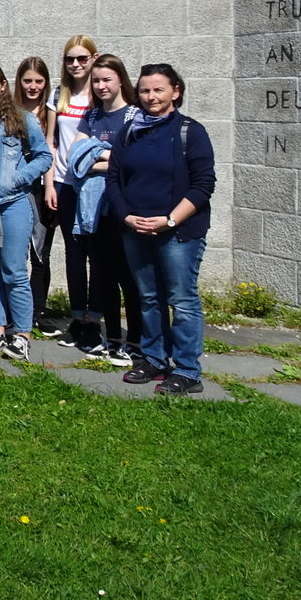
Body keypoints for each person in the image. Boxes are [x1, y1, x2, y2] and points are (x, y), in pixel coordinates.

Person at [106, 64, 216, 396]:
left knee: (181, 300)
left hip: (177, 232)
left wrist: (169, 220)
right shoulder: (130, 131)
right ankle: (153, 359)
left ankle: (186, 370)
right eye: (145, 91)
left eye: (158, 90)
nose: (151, 97)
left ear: (175, 92)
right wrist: (126, 217)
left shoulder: (189, 131)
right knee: (148, 298)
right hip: (135, 229)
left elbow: (203, 185)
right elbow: (114, 179)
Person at [0, 62, 53, 362]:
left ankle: (21, 334)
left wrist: (18, 178)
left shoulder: (21, 118)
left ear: (3, 86)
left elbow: (44, 157)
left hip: (13, 201)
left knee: (14, 270)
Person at [68, 54, 141, 364]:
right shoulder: (93, 117)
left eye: (106, 79)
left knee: (129, 278)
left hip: (124, 208)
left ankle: (135, 341)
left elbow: (133, 161)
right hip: (95, 210)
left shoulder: (135, 116)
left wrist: (96, 155)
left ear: (121, 79)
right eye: (96, 81)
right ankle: (112, 338)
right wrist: (108, 156)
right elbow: (75, 160)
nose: (100, 86)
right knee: (103, 275)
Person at [42, 35, 98, 341]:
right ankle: (77, 318)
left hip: (94, 185)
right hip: (64, 184)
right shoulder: (58, 96)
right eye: (69, 59)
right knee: (74, 255)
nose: (75, 64)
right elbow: (50, 142)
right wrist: (49, 183)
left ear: (93, 58)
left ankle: (95, 320)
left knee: (97, 255)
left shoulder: (99, 95)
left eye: (81, 59)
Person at [15, 56, 61, 337]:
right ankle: (16, 311)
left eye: (39, 81)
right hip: (17, 191)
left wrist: (50, 185)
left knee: (40, 254)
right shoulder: (12, 112)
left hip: (44, 188)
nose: (33, 86)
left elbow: (52, 149)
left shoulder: (50, 113)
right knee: (15, 254)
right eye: (27, 80)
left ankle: (38, 312)